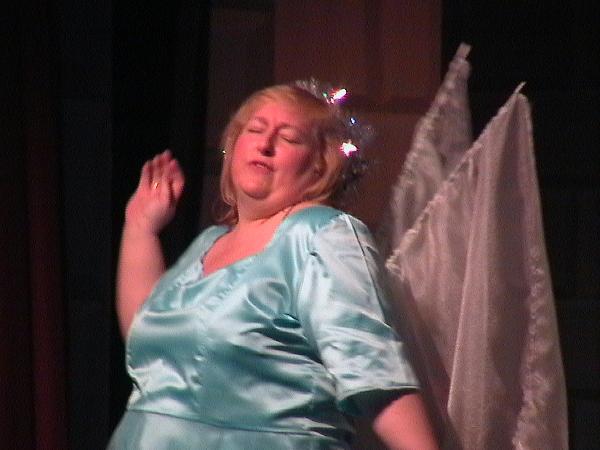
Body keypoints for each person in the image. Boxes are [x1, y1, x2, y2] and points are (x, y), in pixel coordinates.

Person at [109, 83, 439, 450]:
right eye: (254, 130)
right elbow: (149, 346)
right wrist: (140, 228)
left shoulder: (321, 236)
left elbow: (373, 369)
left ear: (319, 166)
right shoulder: (209, 242)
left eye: (289, 138)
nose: (265, 144)